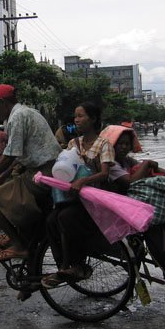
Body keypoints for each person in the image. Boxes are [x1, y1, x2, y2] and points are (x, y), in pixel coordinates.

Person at [0, 84, 60, 261]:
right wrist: (1, 176)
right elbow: (20, 153)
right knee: (11, 192)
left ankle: (19, 246)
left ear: (3, 102)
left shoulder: (17, 117)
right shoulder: (24, 113)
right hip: (43, 170)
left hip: (44, 172)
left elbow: (11, 154)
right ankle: (24, 240)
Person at [102, 124, 165, 281]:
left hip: (131, 203)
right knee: (150, 222)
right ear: (111, 145)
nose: (124, 147)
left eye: (127, 144)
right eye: (120, 144)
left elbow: (150, 168)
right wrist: (146, 164)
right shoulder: (111, 165)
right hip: (116, 206)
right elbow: (130, 182)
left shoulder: (126, 160)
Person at [42, 102, 115, 288]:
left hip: (93, 200)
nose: (76, 119)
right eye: (75, 116)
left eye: (81, 116)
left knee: (67, 217)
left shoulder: (104, 144)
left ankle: (77, 264)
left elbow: (105, 173)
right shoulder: (73, 143)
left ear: (93, 119)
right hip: (73, 198)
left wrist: (83, 181)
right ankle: (63, 266)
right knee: (51, 220)